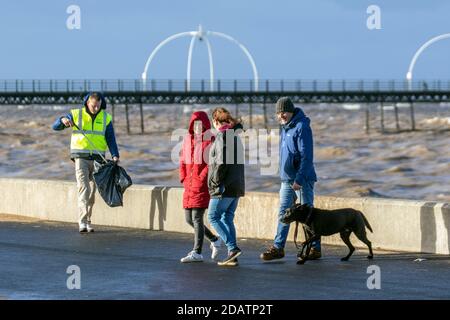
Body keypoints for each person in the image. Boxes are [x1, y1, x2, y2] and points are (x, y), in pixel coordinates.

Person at [260, 97, 320, 261]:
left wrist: (299, 180)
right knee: (284, 213)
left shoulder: (302, 127)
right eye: (278, 113)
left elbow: (307, 157)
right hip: (287, 181)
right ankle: (278, 248)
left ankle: (315, 248)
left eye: (283, 112)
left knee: (308, 215)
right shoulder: (285, 128)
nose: (281, 116)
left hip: (302, 180)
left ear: (291, 111)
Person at [52, 92, 120, 233]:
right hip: (80, 157)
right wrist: (63, 120)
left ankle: (88, 220)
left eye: (98, 106)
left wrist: (115, 155)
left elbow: (111, 139)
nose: (96, 109)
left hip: (98, 159)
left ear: (101, 104)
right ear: (88, 103)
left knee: (92, 193)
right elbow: (55, 126)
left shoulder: (106, 118)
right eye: (93, 106)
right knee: (84, 189)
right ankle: (82, 222)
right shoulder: (77, 114)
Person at [179, 111, 222, 263]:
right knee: (189, 219)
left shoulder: (210, 141)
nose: (197, 127)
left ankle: (197, 252)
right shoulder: (187, 140)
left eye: (200, 124)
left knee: (197, 218)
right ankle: (214, 240)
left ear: (205, 125)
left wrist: (200, 179)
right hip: (189, 186)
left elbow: (211, 164)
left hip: (201, 186)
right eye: (194, 124)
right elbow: (183, 161)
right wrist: (183, 178)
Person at [207, 107, 245, 267]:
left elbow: (221, 163)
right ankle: (232, 256)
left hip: (224, 187)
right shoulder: (235, 136)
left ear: (216, 121)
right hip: (236, 185)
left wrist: (215, 183)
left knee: (212, 217)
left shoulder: (223, 136)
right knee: (227, 217)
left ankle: (232, 247)